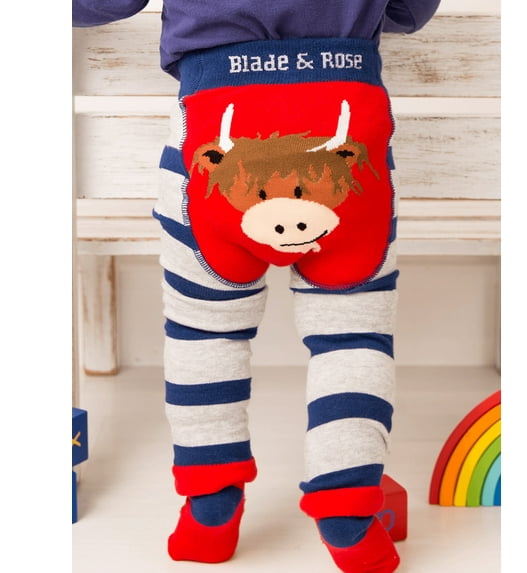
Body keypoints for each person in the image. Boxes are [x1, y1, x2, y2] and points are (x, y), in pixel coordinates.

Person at [72, 2, 441, 571]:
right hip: (347, 135)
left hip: (215, 129)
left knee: (203, 332)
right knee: (353, 337)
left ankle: (209, 509)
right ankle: (348, 515)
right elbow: (411, 10)